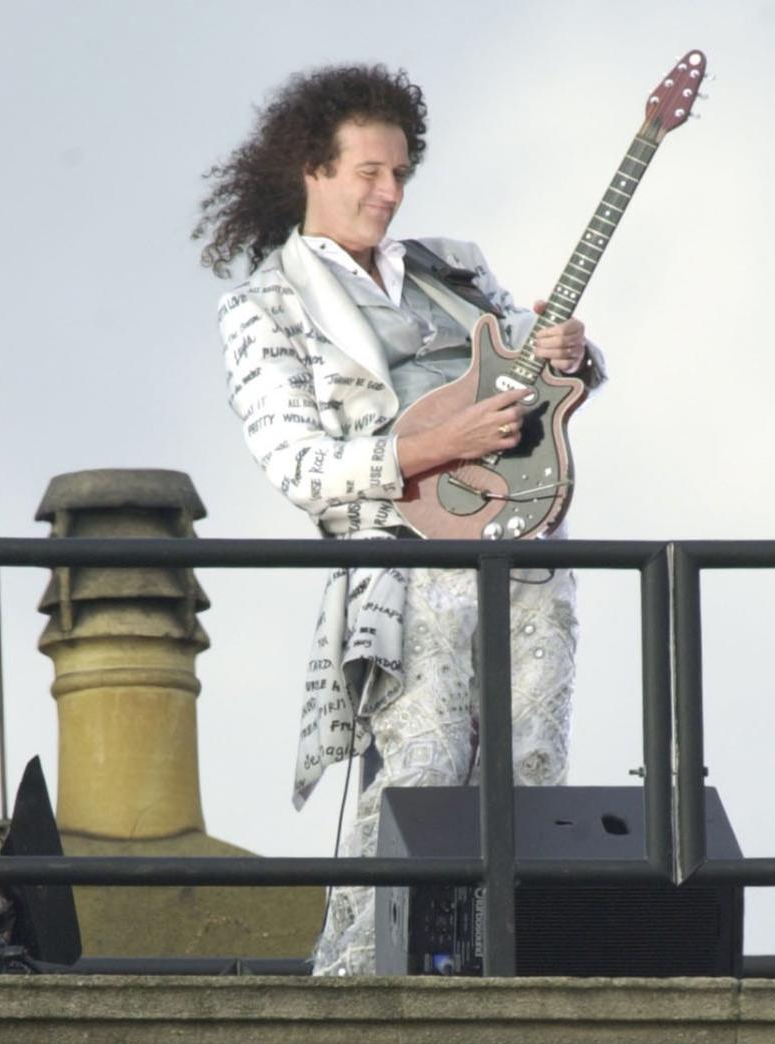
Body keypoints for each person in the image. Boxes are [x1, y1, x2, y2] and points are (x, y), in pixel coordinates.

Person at [195, 64, 605, 975]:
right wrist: (429, 446)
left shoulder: (452, 266)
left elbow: (537, 375)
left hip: (526, 551)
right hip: (404, 565)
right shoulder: (265, 306)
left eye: (402, 174)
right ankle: (358, 983)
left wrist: (571, 350)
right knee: (416, 780)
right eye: (370, 173)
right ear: (313, 168)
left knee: (533, 774)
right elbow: (299, 468)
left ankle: (517, 972)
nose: (391, 192)